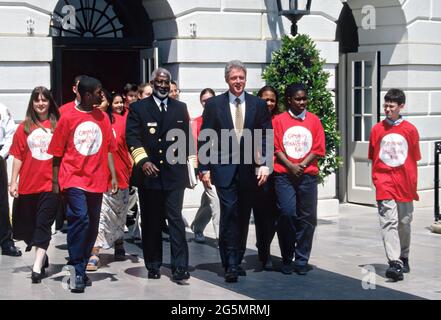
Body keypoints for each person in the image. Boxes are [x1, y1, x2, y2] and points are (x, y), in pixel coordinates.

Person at [198, 60, 272, 283]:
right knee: (229, 213)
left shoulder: (258, 104)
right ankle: (229, 262)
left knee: (242, 215)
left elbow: (266, 135)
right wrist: (204, 167)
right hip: (223, 169)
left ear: (245, 78)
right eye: (233, 78)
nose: (238, 81)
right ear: (226, 80)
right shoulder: (214, 105)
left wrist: (265, 164)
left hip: (249, 170)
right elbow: (205, 137)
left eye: (241, 77)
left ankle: (237, 258)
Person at [48, 76, 118, 293]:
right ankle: (77, 269)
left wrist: (112, 176)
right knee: (81, 219)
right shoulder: (67, 117)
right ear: (87, 95)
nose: (102, 95)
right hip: (73, 179)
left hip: (96, 181)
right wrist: (55, 181)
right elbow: (57, 153)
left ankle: (81, 266)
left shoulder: (103, 118)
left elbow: (107, 149)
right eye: (98, 92)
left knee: (93, 226)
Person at [126, 68, 194, 282]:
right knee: (152, 221)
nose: (163, 86)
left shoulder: (180, 108)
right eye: (159, 82)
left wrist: (190, 168)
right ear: (152, 83)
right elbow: (132, 138)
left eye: (167, 82)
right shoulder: (138, 108)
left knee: (175, 220)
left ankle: (180, 267)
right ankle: (153, 264)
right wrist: (143, 161)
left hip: (174, 175)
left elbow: (185, 140)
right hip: (150, 174)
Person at [272, 83, 325, 276]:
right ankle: (287, 257)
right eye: (298, 99)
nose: (302, 102)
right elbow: (276, 147)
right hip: (284, 175)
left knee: (308, 218)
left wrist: (302, 165)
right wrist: (291, 166)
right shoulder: (278, 120)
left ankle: (302, 258)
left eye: (304, 98)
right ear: (289, 100)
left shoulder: (314, 120)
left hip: (307, 176)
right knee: (287, 213)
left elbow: (318, 148)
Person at [9, 86, 60, 283]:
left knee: (43, 224)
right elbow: (18, 156)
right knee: (29, 229)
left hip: (51, 185)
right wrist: (13, 182)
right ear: (32, 103)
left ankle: (37, 268)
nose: (40, 103)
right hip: (28, 185)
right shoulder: (24, 127)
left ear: (50, 102)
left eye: (44, 100)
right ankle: (42, 254)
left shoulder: (58, 125)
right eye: (37, 100)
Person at [368, 88, 420, 282]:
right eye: (386, 105)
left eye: (392, 106)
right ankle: (395, 262)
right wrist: (376, 179)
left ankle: (404, 255)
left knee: (404, 222)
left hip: (405, 182)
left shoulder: (410, 130)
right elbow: (373, 156)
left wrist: (413, 182)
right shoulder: (377, 129)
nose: (388, 109)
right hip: (384, 181)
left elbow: (414, 157)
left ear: (401, 106)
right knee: (389, 221)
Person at [87, 92, 133, 271]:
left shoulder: (122, 122)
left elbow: (129, 145)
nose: (99, 103)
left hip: (121, 173)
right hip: (98, 176)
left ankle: (119, 242)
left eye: (102, 100)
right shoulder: (90, 123)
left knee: (119, 213)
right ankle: (94, 252)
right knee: (100, 216)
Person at [252, 85, 280, 270]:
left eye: (272, 100)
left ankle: (263, 244)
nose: (269, 103)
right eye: (265, 99)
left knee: (277, 215)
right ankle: (265, 253)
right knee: (262, 215)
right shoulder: (253, 119)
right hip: (259, 173)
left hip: (279, 173)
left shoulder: (280, 119)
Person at [190, 88, 220, 243]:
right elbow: (194, 147)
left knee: (208, 202)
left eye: (210, 100)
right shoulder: (195, 123)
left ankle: (197, 226)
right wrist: (199, 169)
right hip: (206, 168)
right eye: (204, 100)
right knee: (216, 201)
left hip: (222, 167)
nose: (207, 103)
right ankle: (222, 238)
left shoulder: (222, 119)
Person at [0, 102, 21, 257]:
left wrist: (2, 155)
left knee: (1, 202)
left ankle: (6, 241)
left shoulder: (2, 109)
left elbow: (10, 133)